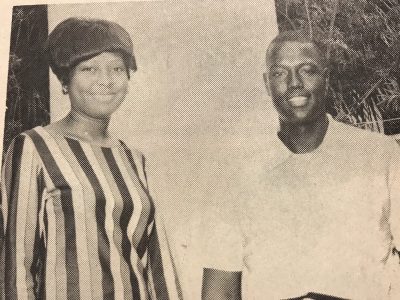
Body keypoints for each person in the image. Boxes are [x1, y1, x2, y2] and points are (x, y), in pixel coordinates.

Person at [201, 30, 400, 299]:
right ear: (266, 84)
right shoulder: (236, 175)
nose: (294, 83)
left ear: (326, 78)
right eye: (280, 73)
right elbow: (219, 290)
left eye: (307, 70)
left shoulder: (379, 155)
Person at [0, 17, 181, 300]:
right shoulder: (33, 146)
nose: (106, 80)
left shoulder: (134, 159)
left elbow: (157, 262)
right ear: (64, 80)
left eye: (117, 68)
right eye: (89, 68)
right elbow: (16, 268)